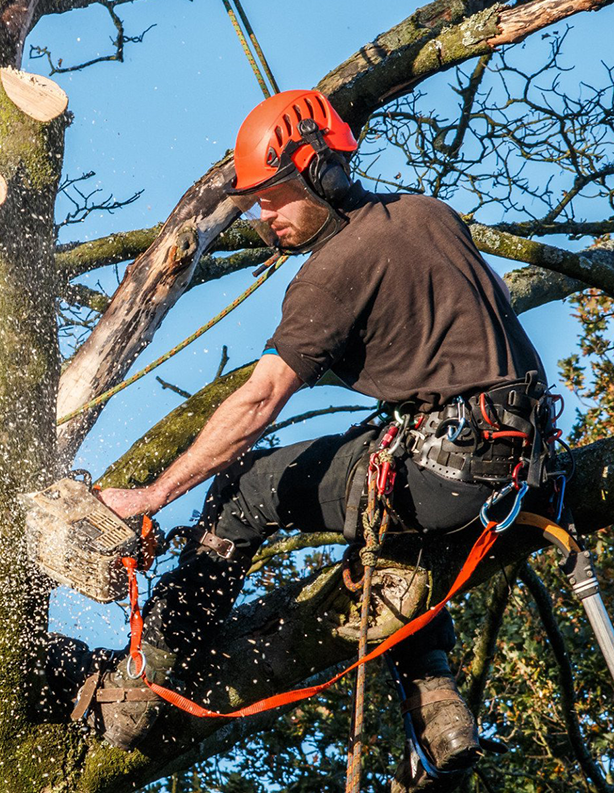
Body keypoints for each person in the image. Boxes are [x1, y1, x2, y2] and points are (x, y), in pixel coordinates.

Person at [85, 89, 553, 789]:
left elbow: (260, 399)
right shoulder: (430, 215)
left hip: (445, 473)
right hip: (524, 463)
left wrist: (152, 495)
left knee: (245, 489)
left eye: (273, 198)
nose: (264, 216)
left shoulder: (330, 274)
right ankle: (438, 701)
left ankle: (145, 677)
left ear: (320, 175)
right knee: (380, 494)